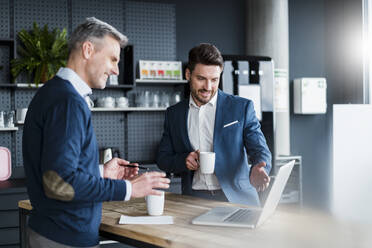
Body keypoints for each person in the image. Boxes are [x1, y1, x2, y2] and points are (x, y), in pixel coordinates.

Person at [22, 17, 170, 248]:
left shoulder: (53, 93)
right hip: (65, 238)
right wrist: (130, 188)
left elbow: (57, 171)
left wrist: (100, 172)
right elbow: (59, 183)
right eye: (112, 59)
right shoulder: (68, 102)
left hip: (53, 233)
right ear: (88, 50)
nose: (115, 69)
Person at [156, 43, 271, 206]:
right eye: (201, 79)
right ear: (188, 74)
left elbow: (260, 149)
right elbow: (163, 158)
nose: (208, 87)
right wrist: (184, 161)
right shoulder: (174, 114)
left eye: (214, 79)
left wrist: (260, 169)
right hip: (194, 200)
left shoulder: (241, 108)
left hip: (237, 199)